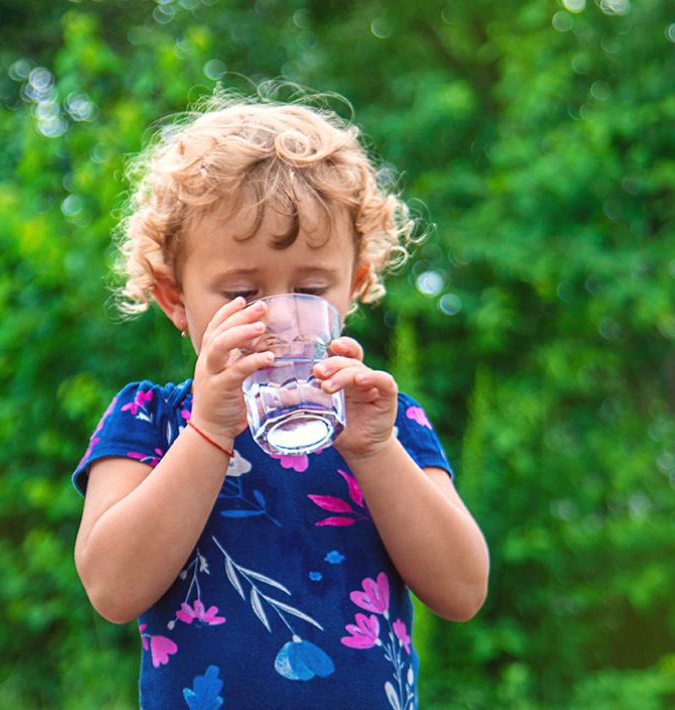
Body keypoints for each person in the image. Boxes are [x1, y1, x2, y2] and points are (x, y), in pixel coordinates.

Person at [71, 95, 488, 708]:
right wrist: (209, 430)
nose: (279, 317)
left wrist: (376, 452)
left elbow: (462, 590)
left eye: (312, 287)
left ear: (358, 283)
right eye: (242, 290)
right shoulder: (148, 421)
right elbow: (111, 588)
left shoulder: (387, 423)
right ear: (174, 300)